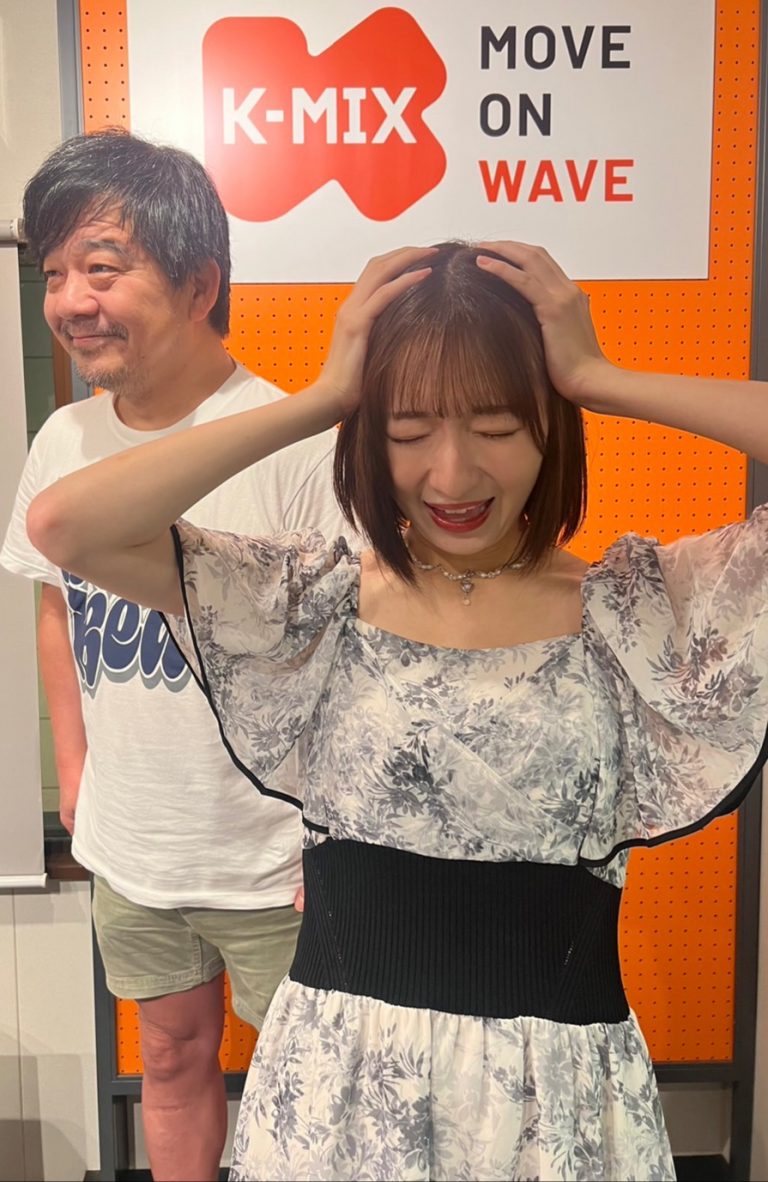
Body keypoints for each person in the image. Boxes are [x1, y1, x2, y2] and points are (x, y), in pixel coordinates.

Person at [25, 239, 768, 1182]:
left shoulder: (636, 615)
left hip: (554, 1100)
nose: (452, 475)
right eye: (409, 430)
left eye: (498, 425)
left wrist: (599, 377)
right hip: (338, 1087)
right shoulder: (315, 604)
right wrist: (325, 398)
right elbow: (65, 526)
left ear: (552, 425)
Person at [1, 128, 351, 1182]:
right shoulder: (63, 440)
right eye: (54, 273)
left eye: (103, 268)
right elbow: (56, 609)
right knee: (167, 1056)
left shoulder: (294, 438)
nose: (71, 301)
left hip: (274, 858)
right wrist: (75, 773)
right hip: (137, 846)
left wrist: (334, 832)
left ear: (201, 283)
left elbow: (358, 650)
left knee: (317, 1090)